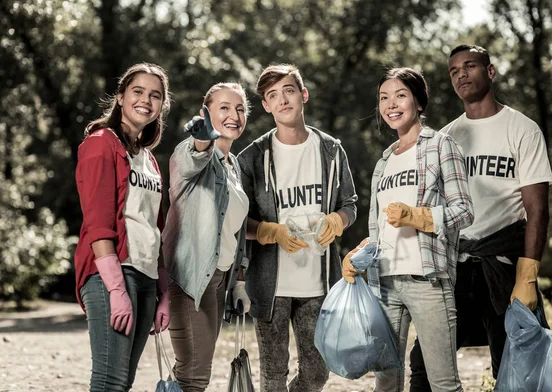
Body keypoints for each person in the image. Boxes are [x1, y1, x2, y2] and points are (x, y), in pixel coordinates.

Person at [408, 45, 552, 391]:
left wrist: (528, 276)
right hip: (455, 265)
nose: (461, 74)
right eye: (454, 70)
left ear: (490, 72)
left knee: (515, 369)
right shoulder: (445, 138)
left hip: (502, 265)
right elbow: (432, 210)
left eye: (469, 66)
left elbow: (537, 210)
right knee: (423, 362)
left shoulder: (522, 129)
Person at [342, 67, 474, 392]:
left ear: (418, 101)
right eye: (384, 98)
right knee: (386, 385)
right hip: (385, 286)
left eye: (400, 95)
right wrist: (360, 253)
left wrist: (419, 217)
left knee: (444, 384)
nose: (391, 104)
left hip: (427, 282)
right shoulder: (383, 162)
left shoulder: (442, 146)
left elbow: (464, 211)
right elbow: (381, 231)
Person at [237, 63, 358, 392]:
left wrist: (338, 220)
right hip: (270, 285)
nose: (282, 100)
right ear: (266, 106)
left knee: (318, 372)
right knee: (273, 375)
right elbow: (235, 218)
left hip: (318, 284)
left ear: (303, 95)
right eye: (272, 95)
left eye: (288, 91)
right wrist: (268, 231)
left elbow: (350, 204)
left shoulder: (331, 150)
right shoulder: (252, 157)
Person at [74, 63, 171, 391]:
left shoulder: (149, 158)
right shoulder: (101, 143)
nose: (146, 100)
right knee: (109, 380)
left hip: (145, 276)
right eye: (138, 92)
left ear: (161, 106)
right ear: (120, 98)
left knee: (123, 381)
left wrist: (163, 290)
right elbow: (97, 223)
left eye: (155, 95)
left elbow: (153, 225)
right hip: (110, 274)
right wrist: (116, 289)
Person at [161, 83, 252, 392]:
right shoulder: (192, 151)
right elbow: (193, 158)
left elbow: (233, 231)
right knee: (195, 375)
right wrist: (201, 140)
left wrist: (238, 280)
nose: (234, 115)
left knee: (193, 370)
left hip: (219, 282)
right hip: (191, 279)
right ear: (206, 112)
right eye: (224, 107)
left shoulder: (234, 166)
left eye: (240, 109)